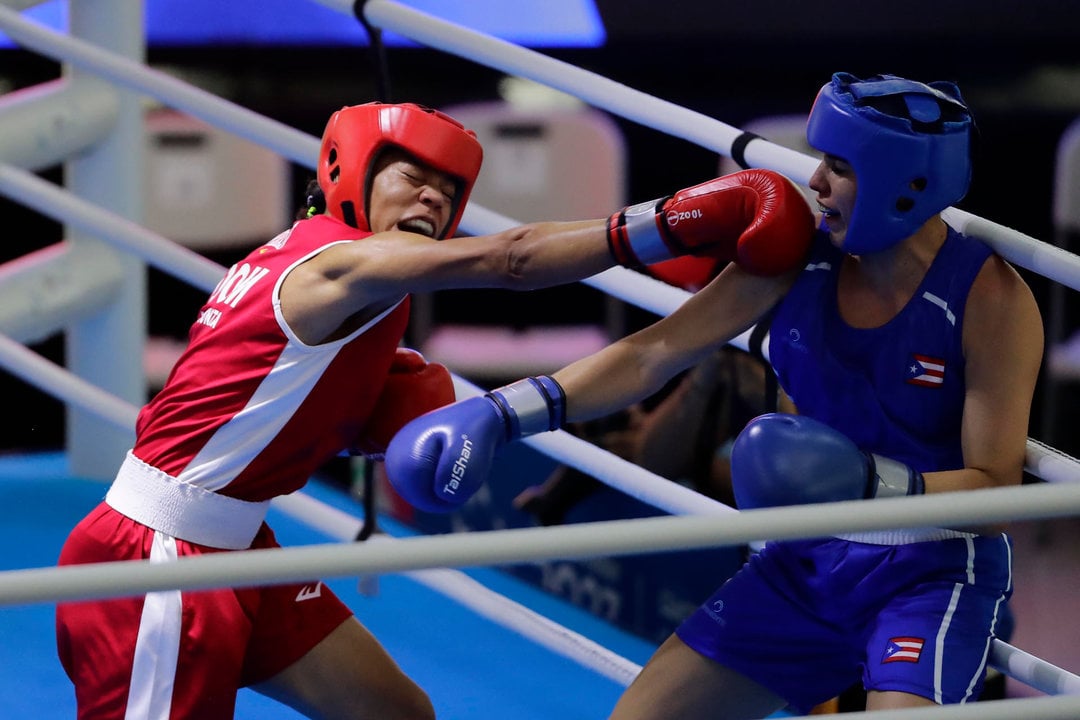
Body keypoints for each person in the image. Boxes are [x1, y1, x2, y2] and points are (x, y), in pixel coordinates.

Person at [53, 99, 814, 719]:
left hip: (235, 545)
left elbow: (264, 405)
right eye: (413, 174)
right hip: (157, 558)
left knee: (396, 714)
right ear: (349, 171)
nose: (433, 196)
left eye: (449, 191)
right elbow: (509, 259)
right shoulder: (339, 261)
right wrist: (663, 223)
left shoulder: (348, 288)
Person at [386, 72, 1044, 717]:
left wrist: (869, 484)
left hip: (929, 577)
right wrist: (505, 411)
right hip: (805, 559)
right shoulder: (797, 256)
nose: (814, 183)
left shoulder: (988, 299)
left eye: (837, 167)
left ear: (906, 182)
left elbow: (996, 490)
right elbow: (651, 354)